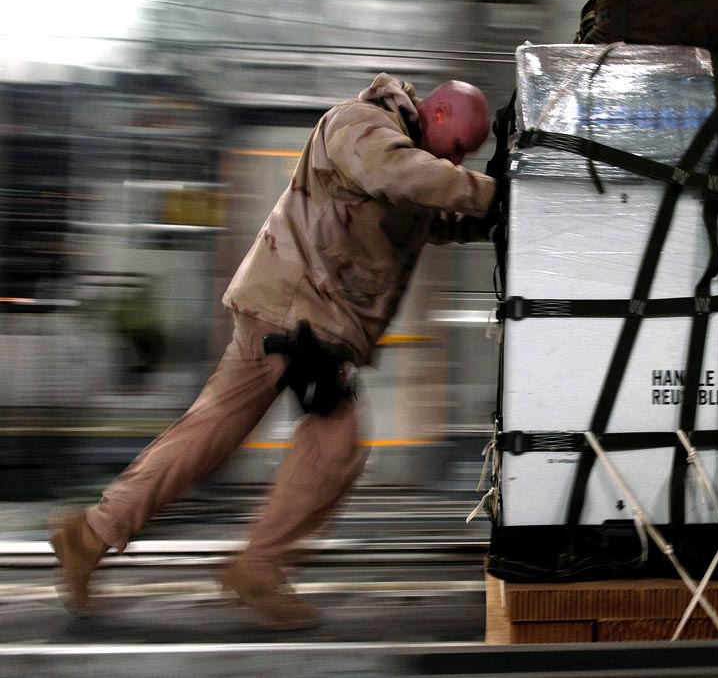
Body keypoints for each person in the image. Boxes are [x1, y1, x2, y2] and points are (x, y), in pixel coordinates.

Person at [48, 74, 497, 630]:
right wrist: (491, 191)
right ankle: (258, 567)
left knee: (209, 432)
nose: (457, 160)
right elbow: (401, 176)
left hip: (286, 309)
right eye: (458, 147)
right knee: (335, 448)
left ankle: (91, 534)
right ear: (441, 114)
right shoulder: (361, 126)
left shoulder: (409, 160)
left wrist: (497, 216)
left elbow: (435, 215)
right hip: (302, 315)